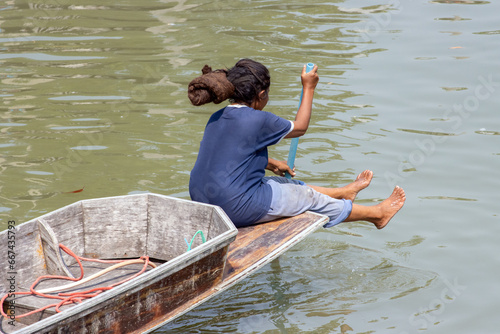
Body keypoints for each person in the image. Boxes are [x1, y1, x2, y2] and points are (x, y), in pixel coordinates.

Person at [188, 59, 405, 228]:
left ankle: (342, 193)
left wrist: (271, 163)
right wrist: (309, 87)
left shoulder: (217, 117)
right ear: (261, 95)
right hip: (234, 207)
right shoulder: (258, 119)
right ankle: (377, 215)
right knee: (305, 197)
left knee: (284, 186)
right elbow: (300, 126)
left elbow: (228, 154)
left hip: (203, 200)